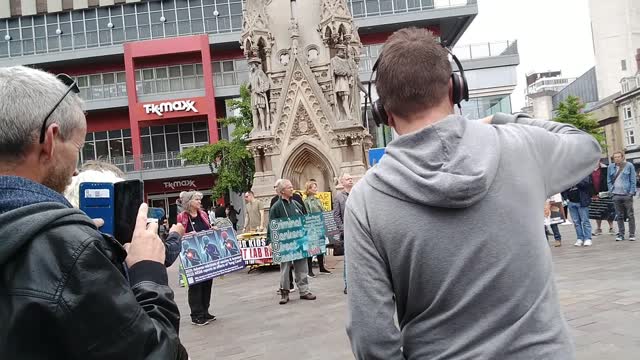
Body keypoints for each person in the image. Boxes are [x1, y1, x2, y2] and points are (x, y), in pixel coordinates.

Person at [343, 28, 601, 359]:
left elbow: (371, 337)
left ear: (384, 113)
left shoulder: (366, 200)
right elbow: (586, 146)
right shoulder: (521, 146)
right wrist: (503, 119)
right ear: (455, 89)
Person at [0, 66, 187, 359]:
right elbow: (156, 353)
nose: (75, 168)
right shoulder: (66, 247)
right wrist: (148, 272)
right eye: (77, 146)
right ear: (49, 141)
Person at [267, 179, 317, 305]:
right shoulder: (276, 207)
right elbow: (271, 225)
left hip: (299, 240)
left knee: (302, 265)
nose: (292, 189)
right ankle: (285, 292)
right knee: (285, 267)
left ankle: (304, 291)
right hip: (285, 242)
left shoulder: (296, 204)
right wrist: (270, 241)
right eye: (289, 187)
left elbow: (305, 220)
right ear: (282, 191)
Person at [176, 191, 217, 326]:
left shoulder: (203, 214)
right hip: (192, 257)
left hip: (205, 256)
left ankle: (205, 310)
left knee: (207, 282)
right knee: (195, 285)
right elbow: (177, 235)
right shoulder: (182, 217)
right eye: (197, 199)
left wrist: (213, 229)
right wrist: (188, 234)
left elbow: (208, 228)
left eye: (200, 199)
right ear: (189, 202)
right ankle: (196, 314)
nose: (200, 201)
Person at [303, 180, 332, 277]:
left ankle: (321, 267)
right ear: (309, 189)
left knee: (321, 247)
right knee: (312, 248)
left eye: (316, 186)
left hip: (320, 226)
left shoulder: (318, 200)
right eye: (314, 187)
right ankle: (309, 270)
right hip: (312, 227)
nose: (316, 188)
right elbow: (307, 215)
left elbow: (323, 211)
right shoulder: (306, 202)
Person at [608, 151, 636, 241]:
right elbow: (608, 180)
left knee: (630, 215)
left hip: (626, 194)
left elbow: (633, 180)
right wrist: (611, 191)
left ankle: (632, 234)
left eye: (618, 157)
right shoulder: (610, 167)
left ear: (622, 157)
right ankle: (621, 234)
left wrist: (631, 192)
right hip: (616, 194)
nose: (617, 158)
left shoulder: (629, 166)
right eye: (615, 157)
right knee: (619, 215)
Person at [333, 173, 353, 294]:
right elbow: (336, 215)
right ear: (342, 182)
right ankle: (347, 284)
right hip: (347, 232)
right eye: (347, 179)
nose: (350, 180)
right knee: (347, 259)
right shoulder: (339, 197)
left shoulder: (357, 193)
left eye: (351, 178)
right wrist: (343, 229)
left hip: (359, 230)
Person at [563, 175, 594, 247]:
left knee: (585, 221)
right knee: (576, 222)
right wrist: (566, 198)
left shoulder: (583, 174)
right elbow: (563, 188)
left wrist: (575, 180)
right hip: (571, 202)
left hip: (582, 201)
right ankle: (580, 238)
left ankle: (588, 238)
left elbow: (586, 184)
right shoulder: (567, 176)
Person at [589, 161, 615, 235]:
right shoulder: (588, 170)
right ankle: (598, 228)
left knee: (608, 210)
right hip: (594, 194)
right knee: (596, 212)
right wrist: (592, 194)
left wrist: (608, 191)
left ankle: (611, 227)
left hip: (604, 193)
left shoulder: (605, 168)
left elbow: (609, 180)